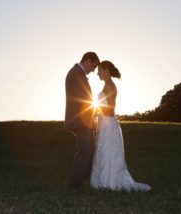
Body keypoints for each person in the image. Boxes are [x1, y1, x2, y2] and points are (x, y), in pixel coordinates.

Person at [91, 60, 151, 192]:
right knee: (103, 151)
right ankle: (103, 180)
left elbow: (110, 109)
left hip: (107, 124)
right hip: (104, 123)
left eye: (99, 70)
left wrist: (96, 112)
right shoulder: (107, 85)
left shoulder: (110, 86)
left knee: (108, 151)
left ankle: (109, 181)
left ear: (106, 70)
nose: (97, 73)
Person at [64, 52, 99, 189]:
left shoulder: (77, 73)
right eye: (94, 66)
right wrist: (94, 112)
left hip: (84, 120)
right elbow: (83, 98)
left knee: (89, 150)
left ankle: (82, 180)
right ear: (89, 60)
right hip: (81, 120)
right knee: (85, 151)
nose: (93, 70)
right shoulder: (76, 73)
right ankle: (74, 184)